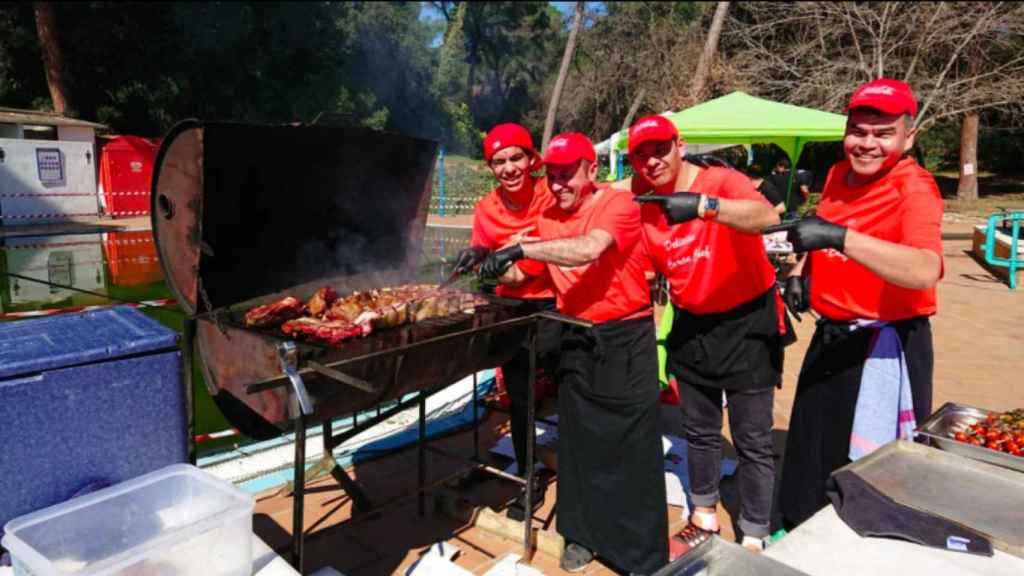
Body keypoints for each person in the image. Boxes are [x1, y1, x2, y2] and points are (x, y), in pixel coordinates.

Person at [479, 133, 667, 575]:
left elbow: (588, 248)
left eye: (569, 173)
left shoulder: (615, 206)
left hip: (624, 336)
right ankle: (581, 535)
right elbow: (523, 272)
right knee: (580, 443)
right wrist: (487, 264)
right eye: (554, 174)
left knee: (629, 446)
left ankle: (639, 554)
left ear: (591, 170)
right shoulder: (547, 217)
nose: (560, 183)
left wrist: (522, 246)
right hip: (575, 335)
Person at [770, 78, 943, 528]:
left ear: (909, 137)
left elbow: (925, 268)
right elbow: (824, 224)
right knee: (811, 446)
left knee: (871, 467)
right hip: (832, 334)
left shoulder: (916, 187)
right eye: (858, 131)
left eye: (883, 133)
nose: (867, 144)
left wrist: (842, 239)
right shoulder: (835, 175)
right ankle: (799, 530)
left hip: (885, 345)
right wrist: (798, 272)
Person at [624, 115, 784, 554]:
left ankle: (754, 532)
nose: (652, 160)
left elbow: (765, 217)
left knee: (752, 437)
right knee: (700, 429)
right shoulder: (643, 196)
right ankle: (704, 515)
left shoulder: (721, 180)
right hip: (692, 321)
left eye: (660, 148)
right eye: (642, 154)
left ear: (680, 145)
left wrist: (702, 206)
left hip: (747, 320)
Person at [450, 123, 559, 521]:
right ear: (491, 167)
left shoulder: (553, 195)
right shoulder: (486, 209)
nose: (509, 168)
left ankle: (580, 473)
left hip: (560, 304)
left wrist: (513, 261)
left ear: (532, 160)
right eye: (500, 161)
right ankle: (528, 476)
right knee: (521, 398)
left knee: (572, 395)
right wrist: (478, 255)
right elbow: (493, 266)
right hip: (512, 310)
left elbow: (553, 255)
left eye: (517, 157)